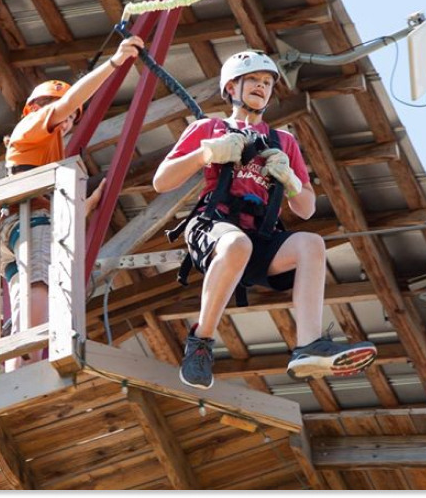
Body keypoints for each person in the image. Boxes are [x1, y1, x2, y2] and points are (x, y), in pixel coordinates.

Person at [153, 50, 377, 389]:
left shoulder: (283, 142)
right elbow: (162, 181)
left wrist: (289, 180)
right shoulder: (210, 128)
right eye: (254, 80)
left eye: (267, 83)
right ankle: (201, 343)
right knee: (236, 244)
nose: (262, 87)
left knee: (311, 244)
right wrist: (207, 152)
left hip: (259, 236)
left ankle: (308, 346)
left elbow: (306, 209)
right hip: (214, 227)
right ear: (232, 87)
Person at [0, 35, 145, 372]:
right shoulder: (32, 126)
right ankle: (28, 365)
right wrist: (114, 63)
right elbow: (63, 105)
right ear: (34, 107)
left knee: (26, 299)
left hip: (24, 224)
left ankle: (19, 368)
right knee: (40, 285)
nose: (66, 122)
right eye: (62, 111)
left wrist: (89, 204)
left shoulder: (43, 151)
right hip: (31, 222)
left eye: (72, 119)